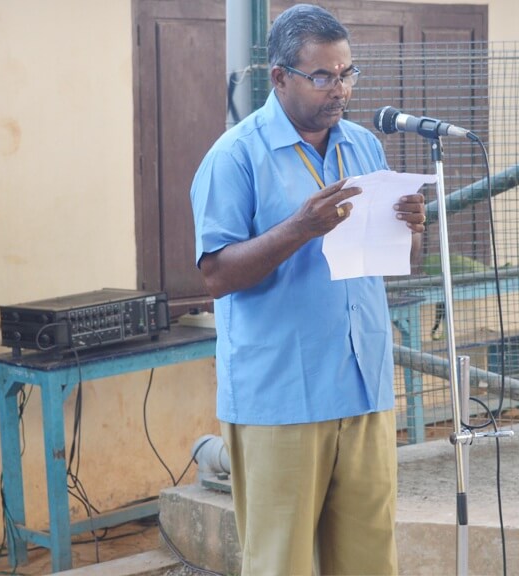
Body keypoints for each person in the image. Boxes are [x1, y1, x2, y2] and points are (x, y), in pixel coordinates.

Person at [189, 4, 426, 575]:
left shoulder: (364, 146)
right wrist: (300, 228)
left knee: (370, 562)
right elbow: (216, 275)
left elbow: (402, 263)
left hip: (363, 388)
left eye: (347, 73)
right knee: (281, 563)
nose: (339, 89)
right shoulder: (235, 156)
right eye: (322, 76)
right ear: (280, 76)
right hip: (282, 398)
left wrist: (413, 230)